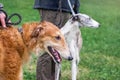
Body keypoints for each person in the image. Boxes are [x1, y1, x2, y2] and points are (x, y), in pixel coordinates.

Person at [0, 0, 80, 80]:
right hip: (54, 5)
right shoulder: (11, 49)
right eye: (57, 38)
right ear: (37, 32)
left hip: (67, 6)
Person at [34, 0, 80, 80]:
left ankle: (55, 77)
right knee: (48, 47)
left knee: (58, 48)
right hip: (52, 6)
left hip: (66, 7)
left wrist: (75, 5)